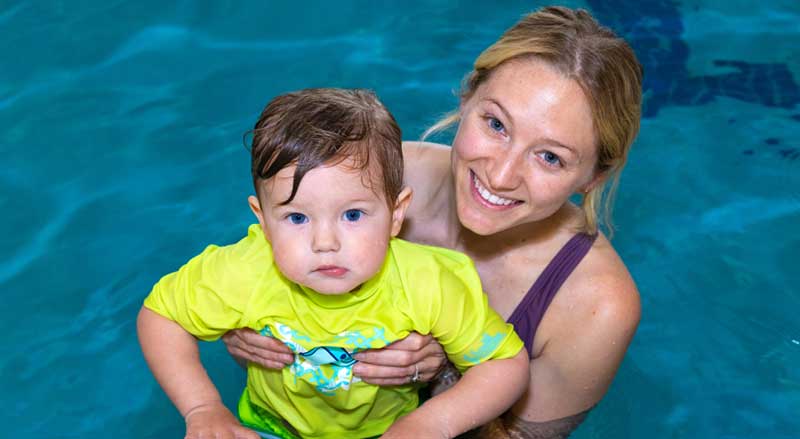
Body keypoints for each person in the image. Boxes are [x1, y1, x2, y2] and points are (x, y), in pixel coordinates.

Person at [222, 6, 643, 438]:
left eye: (550, 157)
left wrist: (446, 370)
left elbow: (519, 436)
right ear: (467, 97)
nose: (500, 175)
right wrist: (249, 340)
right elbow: (257, 293)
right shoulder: (372, 181)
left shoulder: (596, 306)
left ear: (594, 176)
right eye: (496, 124)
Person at [137, 88, 529, 439]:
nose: (325, 243)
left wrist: (432, 423)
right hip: (270, 425)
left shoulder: (429, 282)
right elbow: (161, 318)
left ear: (396, 215)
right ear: (264, 221)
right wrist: (203, 408)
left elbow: (505, 365)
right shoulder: (244, 269)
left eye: (353, 215)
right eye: (297, 218)